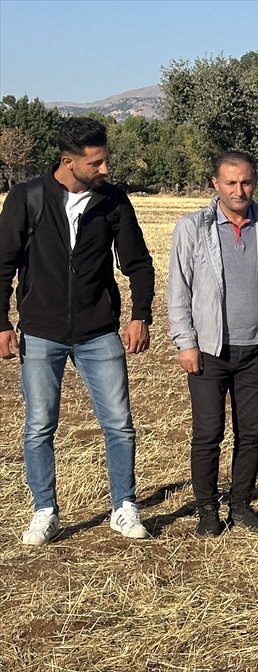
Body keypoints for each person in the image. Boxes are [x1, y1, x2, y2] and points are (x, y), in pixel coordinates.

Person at [0, 117, 155, 545]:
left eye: (106, 160)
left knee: (119, 424)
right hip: (40, 331)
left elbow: (139, 263)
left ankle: (124, 506)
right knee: (38, 426)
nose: (105, 169)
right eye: (96, 163)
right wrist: (1, 323)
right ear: (68, 161)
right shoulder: (27, 197)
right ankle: (45, 511)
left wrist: (140, 315)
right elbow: (3, 265)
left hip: (99, 331)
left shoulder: (114, 201)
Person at [167, 151, 258, 538]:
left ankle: (241, 504)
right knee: (208, 434)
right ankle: (207, 509)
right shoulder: (192, 227)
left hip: (256, 350)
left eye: (246, 182)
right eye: (231, 183)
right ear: (215, 184)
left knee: (251, 435)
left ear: (255, 182)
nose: (239, 190)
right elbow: (178, 291)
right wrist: (186, 342)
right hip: (209, 351)